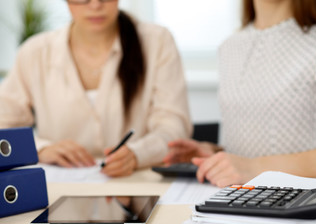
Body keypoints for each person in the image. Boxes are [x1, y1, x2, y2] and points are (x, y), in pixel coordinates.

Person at [163, 0, 316, 187]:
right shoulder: (229, 46)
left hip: (292, 199)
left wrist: (257, 168)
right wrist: (217, 155)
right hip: (230, 196)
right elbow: (251, 143)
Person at [0, 0, 192, 177]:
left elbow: (174, 126)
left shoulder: (157, 42)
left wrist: (138, 153)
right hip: (62, 188)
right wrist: (40, 149)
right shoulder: (34, 52)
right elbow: (3, 127)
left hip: (137, 185)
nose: (95, 5)